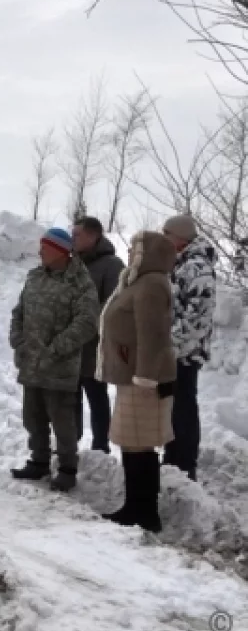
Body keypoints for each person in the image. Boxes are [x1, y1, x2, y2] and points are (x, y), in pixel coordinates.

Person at [96, 230, 178, 533]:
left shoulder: (152, 285)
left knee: (140, 444)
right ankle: (136, 506)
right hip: (133, 376)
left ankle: (145, 511)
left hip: (145, 379)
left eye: (135, 248)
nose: (130, 252)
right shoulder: (139, 281)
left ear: (149, 252)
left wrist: (145, 376)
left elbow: (153, 335)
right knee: (132, 442)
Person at [9, 227, 99, 492]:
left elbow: (87, 322)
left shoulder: (80, 282)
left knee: (62, 420)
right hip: (31, 361)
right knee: (32, 416)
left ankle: (67, 468)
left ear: (61, 251)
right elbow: (19, 311)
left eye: (45, 248)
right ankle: (38, 461)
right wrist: (18, 339)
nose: (40, 252)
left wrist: (57, 348)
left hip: (60, 365)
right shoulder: (35, 276)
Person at [161, 214, 216, 482]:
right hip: (174, 352)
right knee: (173, 408)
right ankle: (172, 460)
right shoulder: (179, 264)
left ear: (180, 238)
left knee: (183, 409)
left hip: (185, 354)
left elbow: (196, 319)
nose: (164, 239)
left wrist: (169, 346)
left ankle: (184, 465)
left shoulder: (197, 267)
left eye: (167, 234)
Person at [71, 216, 125, 453]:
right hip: (70, 345)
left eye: (77, 235)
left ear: (93, 236)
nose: (73, 239)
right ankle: (69, 443)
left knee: (96, 397)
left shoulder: (112, 265)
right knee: (69, 396)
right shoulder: (74, 263)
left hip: (94, 346)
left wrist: (82, 326)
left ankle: (100, 447)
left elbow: (113, 306)